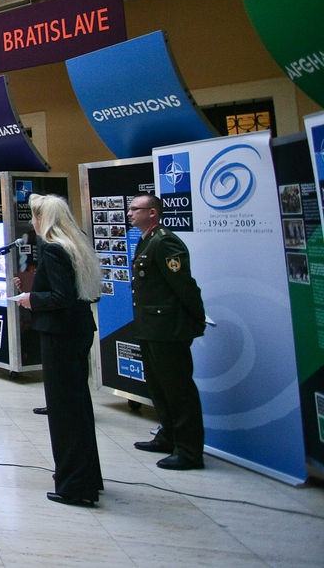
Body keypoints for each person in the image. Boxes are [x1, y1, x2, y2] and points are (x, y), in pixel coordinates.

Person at [13, 193, 104, 507]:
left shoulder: (52, 249)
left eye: (35, 217)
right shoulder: (74, 246)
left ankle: (74, 486)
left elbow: (60, 297)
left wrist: (31, 300)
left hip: (60, 336)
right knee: (78, 408)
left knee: (65, 413)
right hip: (78, 332)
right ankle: (87, 476)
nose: (32, 223)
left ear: (44, 219)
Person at [128, 192, 207, 471]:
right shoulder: (146, 240)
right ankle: (168, 436)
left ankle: (189, 451)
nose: (130, 213)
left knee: (178, 389)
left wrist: (196, 318)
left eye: (136, 209)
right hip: (150, 327)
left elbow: (183, 284)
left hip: (168, 328)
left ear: (152, 212)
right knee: (158, 386)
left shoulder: (165, 241)